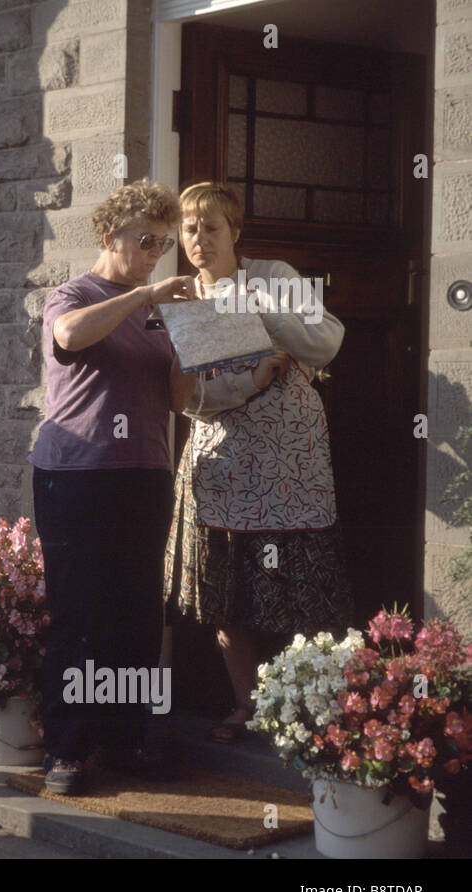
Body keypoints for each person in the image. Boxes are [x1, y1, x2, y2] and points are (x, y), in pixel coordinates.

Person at [164, 181, 353, 743]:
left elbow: (327, 341)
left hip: (289, 459)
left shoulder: (274, 277)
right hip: (221, 461)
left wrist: (267, 316)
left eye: (212, 227)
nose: (200, 239)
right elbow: (186, 398)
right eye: (190, 229)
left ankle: (310, 707)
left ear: (235, 232)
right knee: (228, 590)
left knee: (302, 586)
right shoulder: (180, 300)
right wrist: (251, 379)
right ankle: (246, 704)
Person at [30, 179, 198, 795]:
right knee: (80, 613)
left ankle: (125, 741)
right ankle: (67, 751)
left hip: (145, 473)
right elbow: (71, 337)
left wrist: (189, 344)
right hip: (77, 475)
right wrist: (145, 296)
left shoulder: (157, 310)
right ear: (108, 236)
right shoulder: (73, 293)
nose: (156, 251)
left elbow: (179, 400)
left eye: (163, 242)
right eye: (145, 240)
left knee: (136, 614)